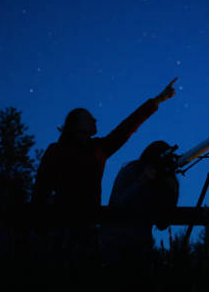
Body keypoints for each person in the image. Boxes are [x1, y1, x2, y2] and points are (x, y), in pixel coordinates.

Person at [31, 78, 177, 210]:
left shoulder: (99, 148)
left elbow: (128, 125)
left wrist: (159, 99)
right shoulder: (57, 151)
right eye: (88, 118)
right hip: (61, 222)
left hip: (88, 223)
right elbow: (41, 188)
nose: (94, 120)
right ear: (75, 125)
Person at [101, 140, 180, 268]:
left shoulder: (164, 180)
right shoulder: (131, 171)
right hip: (115, 244)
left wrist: (172, 192)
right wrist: (142, 180)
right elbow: (118, 205)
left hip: (140, 247)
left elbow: (162, 223)